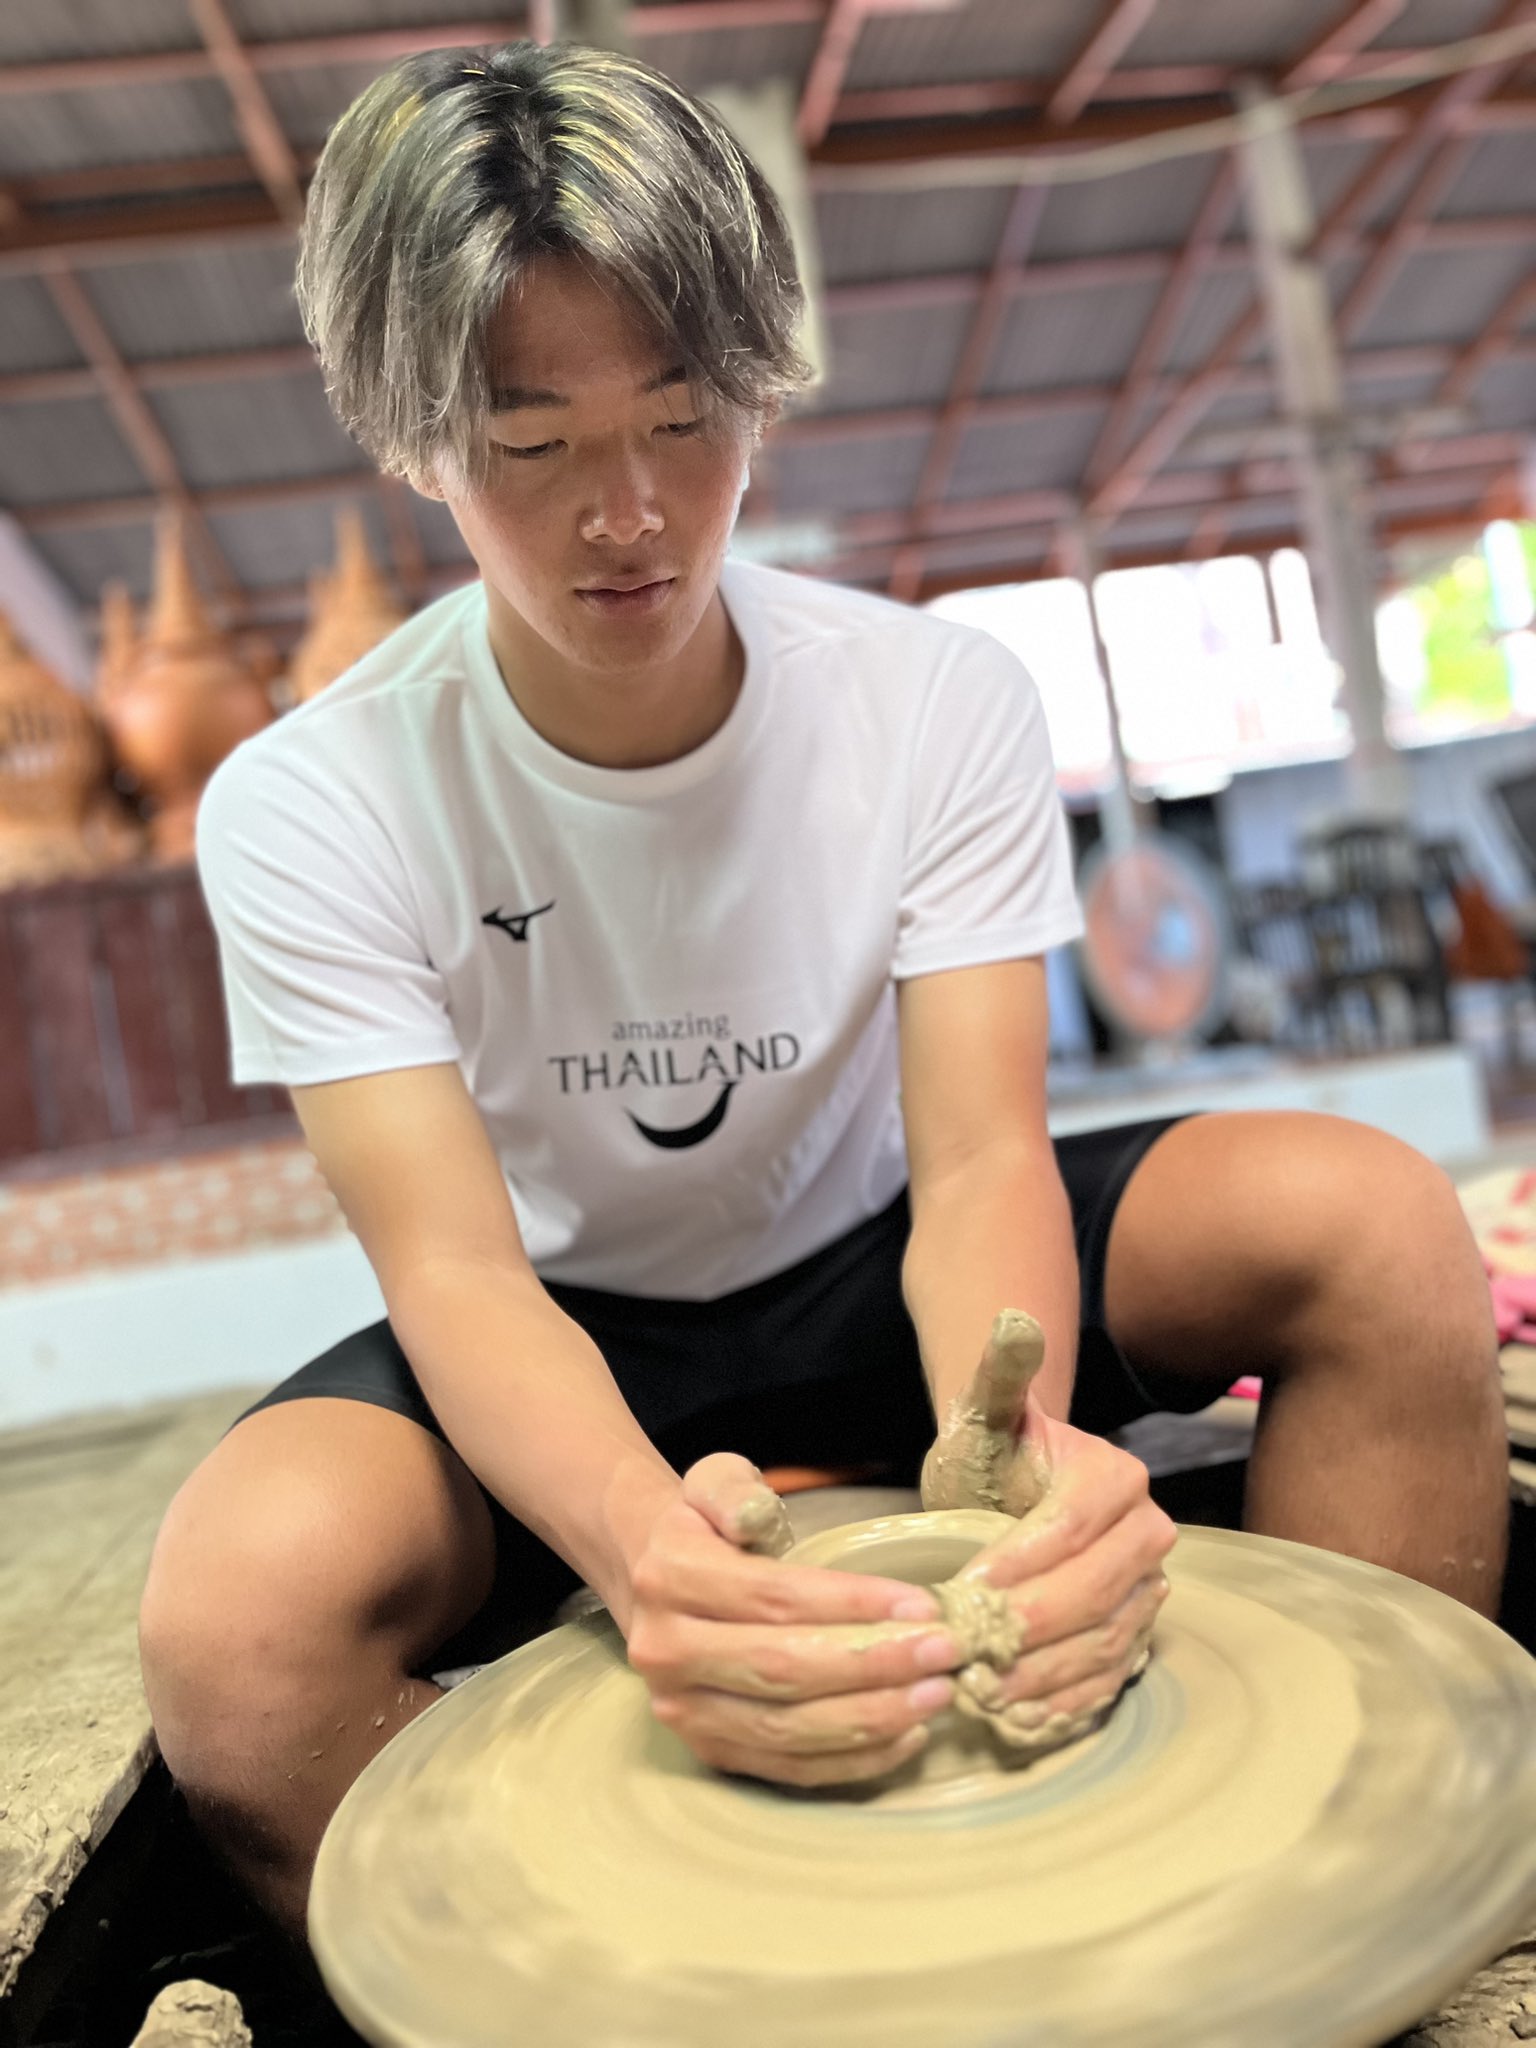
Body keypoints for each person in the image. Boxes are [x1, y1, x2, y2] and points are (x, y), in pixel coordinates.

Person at [138, 38, 1507, 1951]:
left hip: (887, 1255)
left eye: (685, 417)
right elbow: (454, 1275)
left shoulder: (931, 700)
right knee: (236, 1626)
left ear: (761, 390)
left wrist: (1015, 1450)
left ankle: (1368, 1868)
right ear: (416, 440)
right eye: (533, 444)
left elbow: (980, 1160)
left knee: (1366, 1219)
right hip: (569, 1322)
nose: (630, 508)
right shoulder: (311, 799)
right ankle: (641, 1973)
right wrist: (648, 1554)